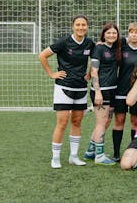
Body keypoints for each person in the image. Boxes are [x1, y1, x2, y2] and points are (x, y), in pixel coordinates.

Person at [38, 14, 95, 169]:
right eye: (78, 25)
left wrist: (89, 73)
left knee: (76, 122)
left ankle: (73, 156)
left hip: (81, 88)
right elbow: (42, 55)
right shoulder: (64, 42)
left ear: (87, 27)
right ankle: (55, 158)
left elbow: (97, 58)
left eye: (84, 25)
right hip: (64, 87)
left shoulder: (89, 43)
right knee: (62, 123)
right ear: (73, 26)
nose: (81, 27)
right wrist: (51, 74)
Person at [83, 22, 120, 165]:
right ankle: (99, 156)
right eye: (108, 33)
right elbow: (94, 71)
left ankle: (91, 151)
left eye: (114, 33)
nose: (111, 35)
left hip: (112, 89)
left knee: (107, 121)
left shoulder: (115, 48)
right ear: (103, 34)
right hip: (101, 91)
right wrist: (97, 92)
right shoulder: (99, 48)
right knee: (101, 123)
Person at [111, 22, 137, 162]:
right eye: (131, 32)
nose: (134, 34)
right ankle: (116, 153)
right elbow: (109, 39)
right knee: (119, 121)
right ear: (128, 33)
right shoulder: (122, 47)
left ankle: (134, 151)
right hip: (121, 90)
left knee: (135, 122)